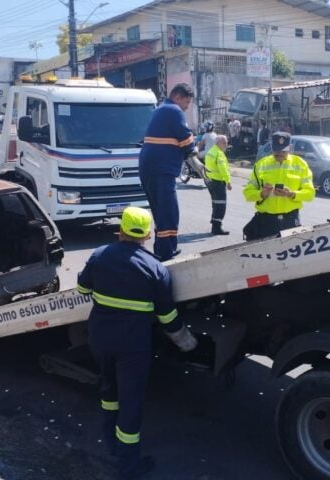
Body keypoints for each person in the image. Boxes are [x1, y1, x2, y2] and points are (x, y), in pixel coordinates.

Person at [77, 206, 197, 480]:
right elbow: (167, 316)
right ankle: (128, 467)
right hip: (132, 348)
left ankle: (111, 443)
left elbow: (83, 288)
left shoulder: (99, 256)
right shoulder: (156, 269)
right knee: (131, 405)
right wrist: (188, 343)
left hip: (100, 339)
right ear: (146, 236)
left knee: (109, 391)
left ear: (120, 231)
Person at [138, 83, 196, 261]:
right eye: (186, 103)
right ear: (177, 97)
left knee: (161, 211)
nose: (186, 108)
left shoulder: (160, 109)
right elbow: (186, 138)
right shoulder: (173, 110)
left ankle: (165, 248)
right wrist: (194, 154)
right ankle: (165, 253)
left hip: (151, 169)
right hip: (161, 170)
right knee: (169, 212)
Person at [243, 132, 315, 240]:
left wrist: (291, 194)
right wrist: (262, 194)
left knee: (291, 253)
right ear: (272, 147)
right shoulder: (261, 164)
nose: (279, 153)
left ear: (290, 148)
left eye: (283, 150)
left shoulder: (300, 164)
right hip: (266, 221)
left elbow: (310, 194)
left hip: (290, 221)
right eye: (276, 150)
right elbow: (248, 193)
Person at [204, 135, 231, 235]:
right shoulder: (219, 154)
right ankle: (216, 228)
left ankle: (214, 222)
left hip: (210, 181)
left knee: (215, 204)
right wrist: (228, 181)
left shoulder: (211, 151)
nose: (226, 145)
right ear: (218, 143)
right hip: (218, 182)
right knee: (220, 205)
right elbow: (223, 169)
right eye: (224, 143)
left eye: (226, 142)